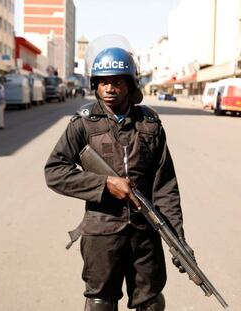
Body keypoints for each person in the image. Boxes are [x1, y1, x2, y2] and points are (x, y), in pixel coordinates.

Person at [45, 44, 195, 311]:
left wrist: (178, 240)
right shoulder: (83, 123)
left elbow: (166, 186)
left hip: (144, 231)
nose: (109, 88)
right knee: (101, 303)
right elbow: (55, 171)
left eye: (116, 81)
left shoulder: (150, 123)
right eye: (103, 82)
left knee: (151, 303)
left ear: (130, 84)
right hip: (101, 232)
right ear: (95, 85)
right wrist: (104, 184)